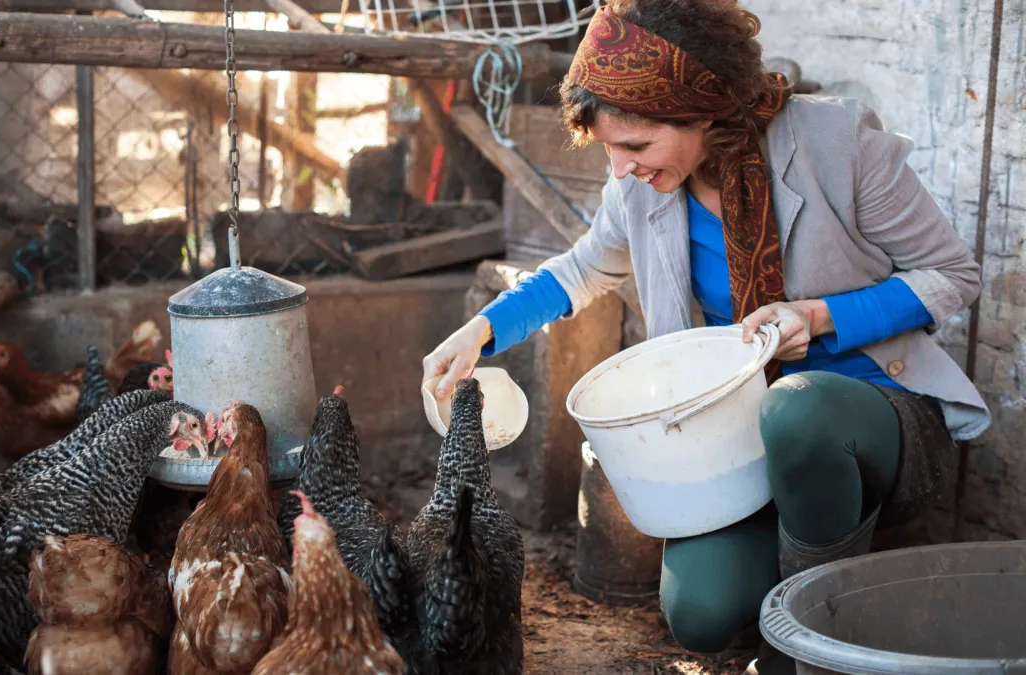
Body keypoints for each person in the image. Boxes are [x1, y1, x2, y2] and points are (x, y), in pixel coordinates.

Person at [421, 0, 990, 670]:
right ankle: (788, 597)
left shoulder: (838, 143)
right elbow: (581, 269)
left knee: (797, 409)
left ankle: (809, 642)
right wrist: (482, 331)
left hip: (871, 412)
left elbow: (953, 274)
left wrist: (820, 317)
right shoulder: (641, 183)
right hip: (739, 425)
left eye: (636, 145)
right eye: (610, 149)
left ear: (705, 110)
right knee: (699, 612)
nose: (623, 167)